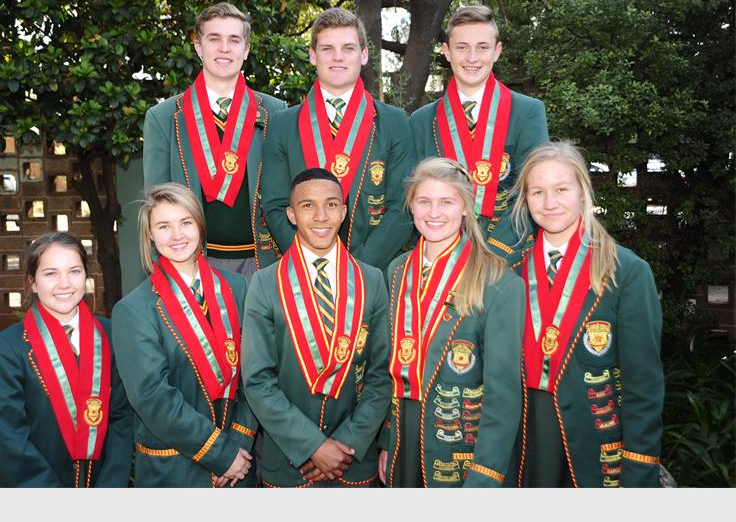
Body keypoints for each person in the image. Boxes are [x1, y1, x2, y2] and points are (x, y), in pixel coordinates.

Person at [511, 141, 664, 487]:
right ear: (525, 199)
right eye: (537, 192)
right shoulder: (510, 271)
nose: (549, 203)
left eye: (561, 189)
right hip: (522, 445)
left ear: (583, 191)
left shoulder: (626, 271)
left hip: (596, 443)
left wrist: (639, 472)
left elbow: (643, 384)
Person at [378, 157, 525, 488]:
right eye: (424, 201)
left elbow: (503, 393)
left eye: (446, 202)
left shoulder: (498, 281)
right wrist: (386, 441)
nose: (434, 213)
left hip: (462, 442)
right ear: (411, 206)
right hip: (403, 435)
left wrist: (486, 473)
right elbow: (392, 364)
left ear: (465, 208)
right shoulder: (397, 271)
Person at [241, 168, 391, 487]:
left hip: (354, 462)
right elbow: (257, 380)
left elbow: (381, 375)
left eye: (331, 204)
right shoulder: (265, 284)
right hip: (289, 464)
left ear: (344, 212)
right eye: (308, 205)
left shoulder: (372, 280)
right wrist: (313, 446)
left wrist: (347, 444)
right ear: (291, 215)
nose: (321, 216)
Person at [111, 183, 257, 487]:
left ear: (200, 226)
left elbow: (255, 373)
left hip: (241, 462)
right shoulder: (133, 309)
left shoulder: (238, 287)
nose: (177, 235)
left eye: (186, 222)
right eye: (164, 226)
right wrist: (221, 454)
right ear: (150, 235)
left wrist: (239, 444)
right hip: (175, 469)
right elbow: (153, 397)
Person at [261, 7, 414, 271]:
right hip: (303, 273)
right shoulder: (282, 124)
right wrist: (311, 261)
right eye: (327, 48)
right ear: (313, 56)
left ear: (364, 55)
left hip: (372, 273)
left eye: (348, 48)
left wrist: (358, 268)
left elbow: (402, 207)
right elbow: (275, 206)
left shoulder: (394, 122)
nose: (338, 57)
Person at [143, 2, 286, 279]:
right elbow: (155, 207)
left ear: (246, 49)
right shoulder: (163, 118)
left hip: (264, 265)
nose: (224, 48)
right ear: (198, 47)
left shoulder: (275, 112)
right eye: (214, 39)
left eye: (234, 40)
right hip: (193, 265)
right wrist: (165, 277)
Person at [0, 232, 133, 487]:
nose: (65, 284)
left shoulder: (111, 334)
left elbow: (122, 418)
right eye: (51, 273)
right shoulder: (8, 348)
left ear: (86, 276)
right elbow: (6, 435)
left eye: (74, 271)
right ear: (33, 282)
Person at [410, 5, 549, 265]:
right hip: (443, 256)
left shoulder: (528, 112)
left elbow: (535, 190)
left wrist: (491, 255)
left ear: (497, 51)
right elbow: (417, 197)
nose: (472, 57)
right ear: (447, 52)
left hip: (507, 258)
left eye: (483, 47)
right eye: (462, 47)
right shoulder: (421, 121)